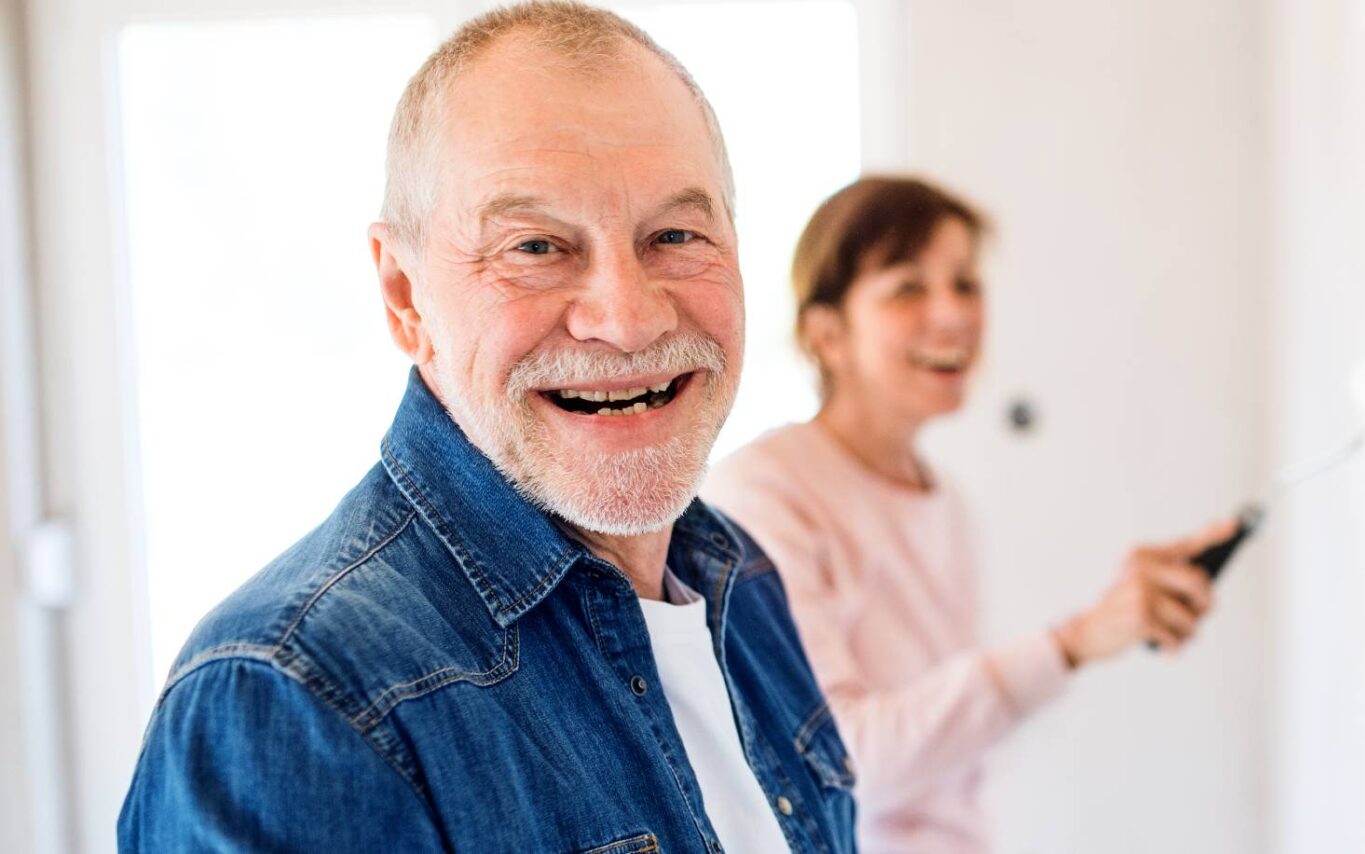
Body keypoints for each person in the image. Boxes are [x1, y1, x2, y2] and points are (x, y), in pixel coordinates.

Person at [117, 3, 853, 851]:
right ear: (404, 296)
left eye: (675, 234)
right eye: (537, 247)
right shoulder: (292, 699)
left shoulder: (739, 581)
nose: (628, 318)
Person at [701, 176, 1232, 853]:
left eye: (966, 284)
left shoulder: (944, 500)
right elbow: (839, 764)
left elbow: (956, 757)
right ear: (826, 333)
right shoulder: (762, 494)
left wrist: (1104, 632)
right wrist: (1075, 641)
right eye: (908, 288)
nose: (953, 314)